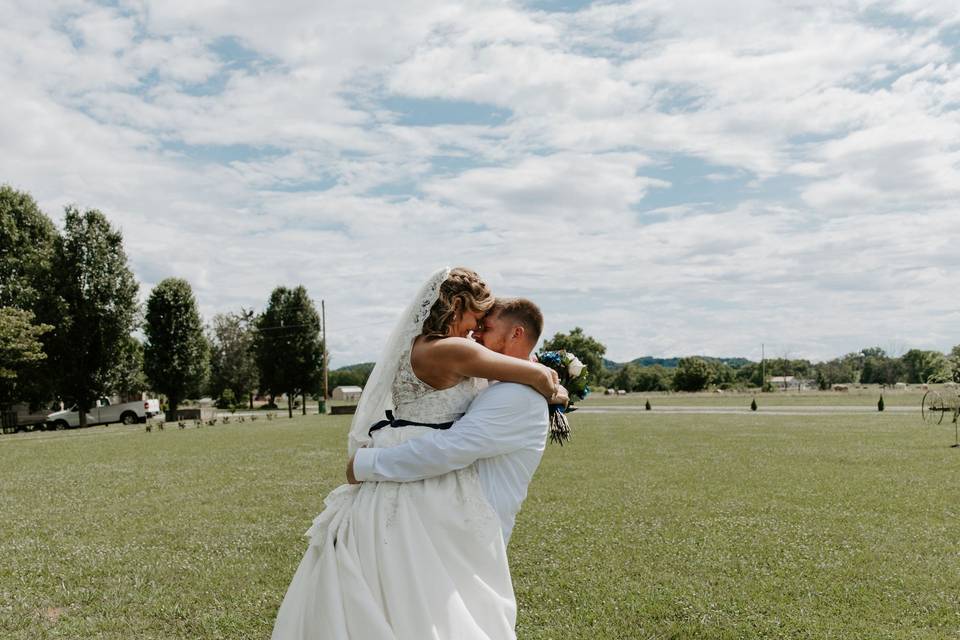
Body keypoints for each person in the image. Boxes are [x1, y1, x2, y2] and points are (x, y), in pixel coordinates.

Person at [271, 268, 560, 640]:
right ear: (456, 305)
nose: (477, 329)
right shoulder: (452, 348)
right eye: (476, 317)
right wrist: (551, 385)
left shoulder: (428, 346)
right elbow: (532, 375)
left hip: (406, 472)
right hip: (419, 477)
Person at [348, 297, 550, 546]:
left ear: (516, 333)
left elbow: (450, 448)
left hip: (472, 531)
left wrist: (367, 463)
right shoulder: (501, 383)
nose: (475, 336)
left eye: (485, 328)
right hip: (444, 519)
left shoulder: (516, 395)